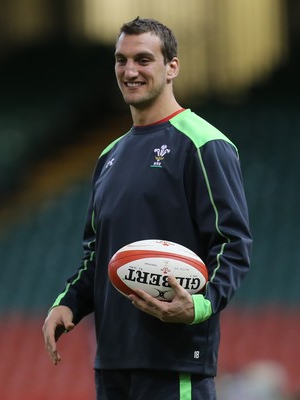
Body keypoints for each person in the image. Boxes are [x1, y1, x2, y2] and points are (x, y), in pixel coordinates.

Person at [43, 17, 252, 400]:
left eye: (143, 59)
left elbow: (232, 244)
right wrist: (68, 304)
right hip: (112, 363)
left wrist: (199, 306)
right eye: (121, 61)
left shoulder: (204, 144)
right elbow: (99, 254)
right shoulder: (109, 156)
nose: (130, 71)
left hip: (174, 362)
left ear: (172, 67)